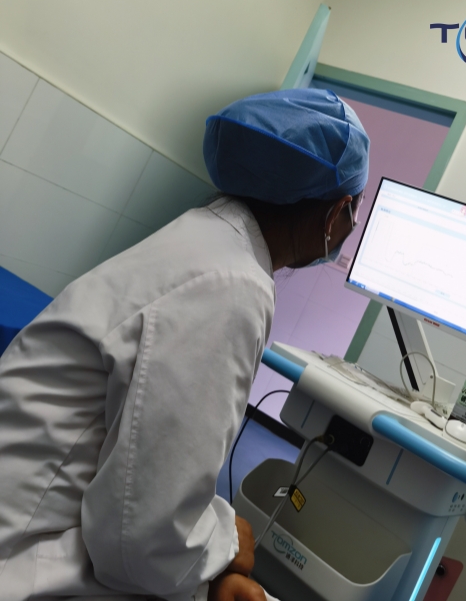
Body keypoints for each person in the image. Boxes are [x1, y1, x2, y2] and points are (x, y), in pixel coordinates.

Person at [0, 88, 369, 601]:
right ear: (335, 214)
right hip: (20, 558)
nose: (351, 225)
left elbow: (149, 472)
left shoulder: (203, 239)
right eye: (354, 211)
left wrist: (216, 542)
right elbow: (143, 541)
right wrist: (223, 551)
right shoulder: (232, 285)